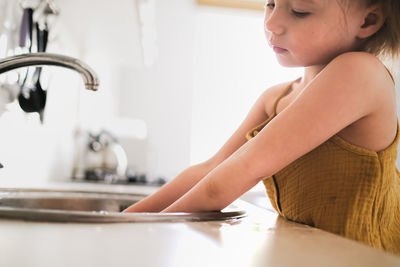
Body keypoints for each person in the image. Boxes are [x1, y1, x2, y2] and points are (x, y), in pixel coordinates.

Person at [124, 0, 400, 255]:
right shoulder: (275, 97)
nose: (270, 23)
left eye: (300, 11)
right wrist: (123, 221)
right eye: (271, 4)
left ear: (368, 21)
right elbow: (210, 170)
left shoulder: (359, 72)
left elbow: (231, 178)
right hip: (309, 254)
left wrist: (145, 231)